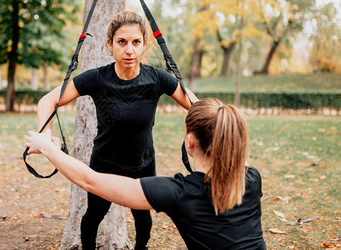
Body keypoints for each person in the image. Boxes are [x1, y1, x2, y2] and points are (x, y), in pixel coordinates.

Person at [36, 11, 199, 250]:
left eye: (136, 42)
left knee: (143, 218)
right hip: (105, 166)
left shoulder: (158, 79)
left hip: (143, 164)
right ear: (110, 45)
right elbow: (48, 101)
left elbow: (199, 109)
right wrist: (44, 136)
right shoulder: (96, 79)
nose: (129, 50)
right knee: (93, 217)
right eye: (122, 42)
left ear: (144, 44)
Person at [26, 98, 266, 249]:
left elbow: (91, 181)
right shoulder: (252, 179)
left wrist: (48, 148)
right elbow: (234, 148)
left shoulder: (179, 193)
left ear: (190, 142)